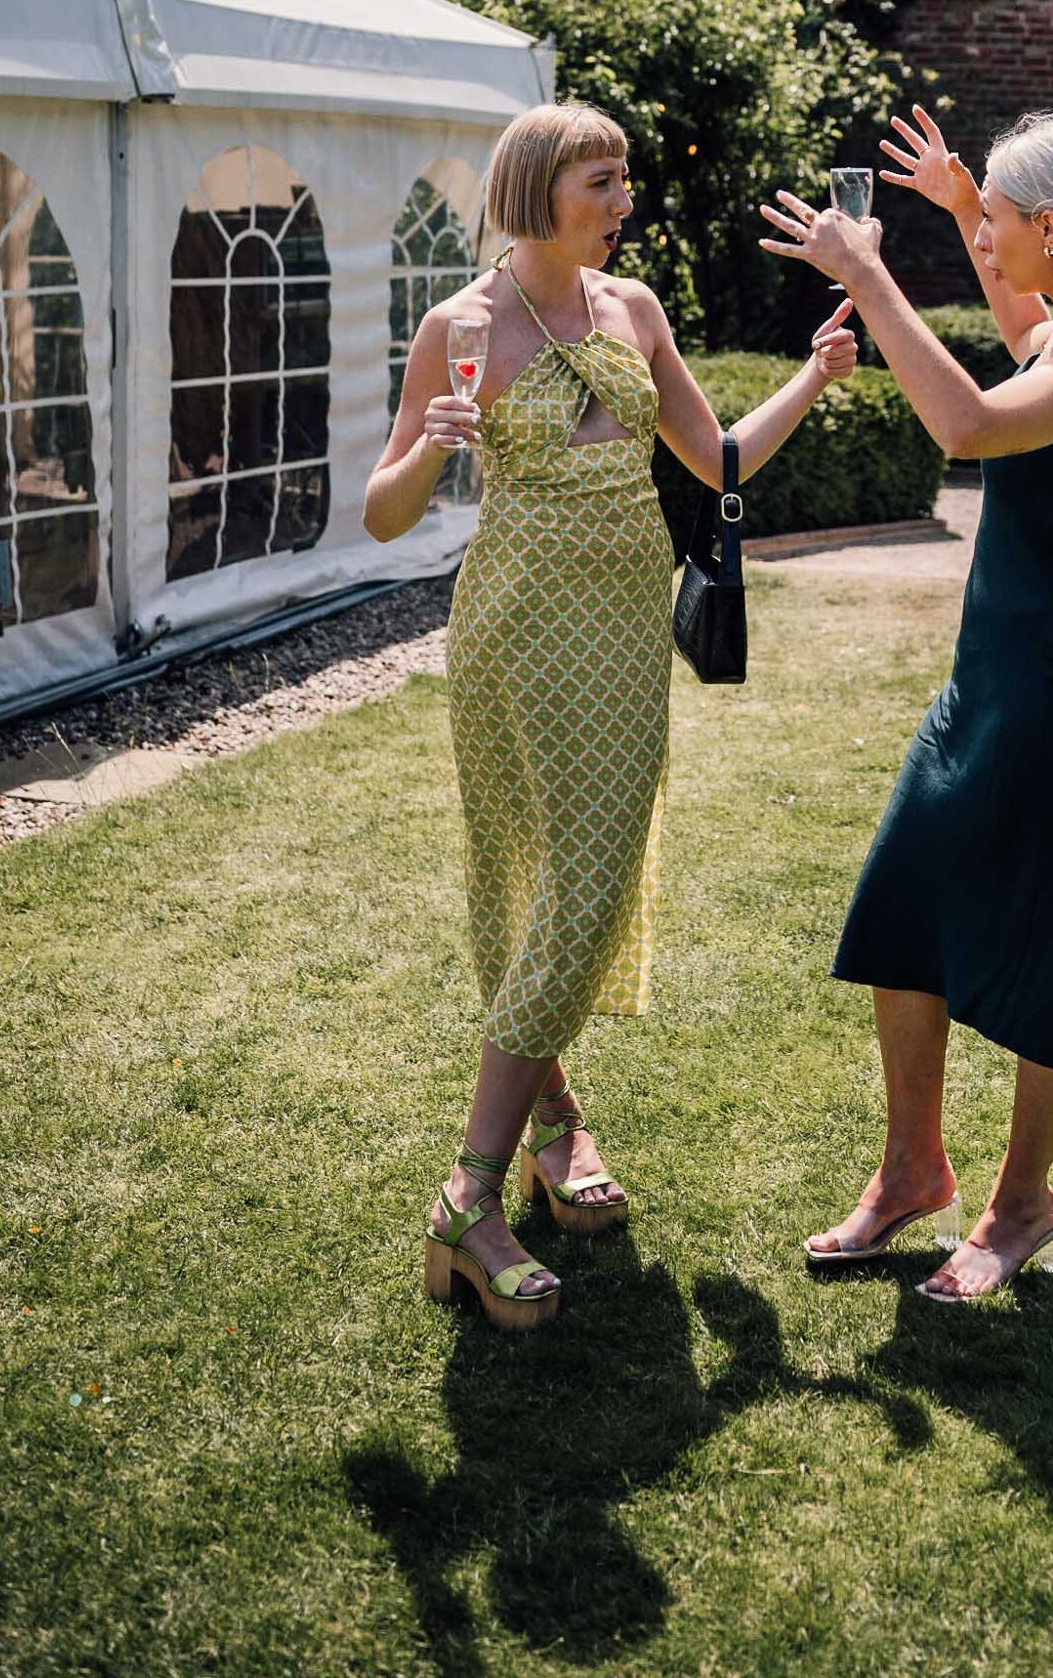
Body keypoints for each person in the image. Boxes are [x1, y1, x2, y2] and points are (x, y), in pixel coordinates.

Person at [366, 101, 857, 1330]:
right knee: (544, 880)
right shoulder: (458, 325)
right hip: (517, 627)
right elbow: (380, 513)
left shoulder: (631, 309)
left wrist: (812, 375)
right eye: (605, 177)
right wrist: (431, 447)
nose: (625, 195)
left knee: (587, 877)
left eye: (624, 176)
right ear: (539, 188)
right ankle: (473, 1195)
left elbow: (716, 457)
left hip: (625, 631)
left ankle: (549, 1122)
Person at [759, 105, 1053, 1304]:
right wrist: (948, 205)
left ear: (1049, 226)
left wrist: (871, 271)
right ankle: (911, 1171)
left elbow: (968, 425)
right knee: (904, 903)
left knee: (1050, 945)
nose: (981, 232)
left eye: (992, 215)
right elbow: (1021, 331)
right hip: (989, 681)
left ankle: (1020, 1204)